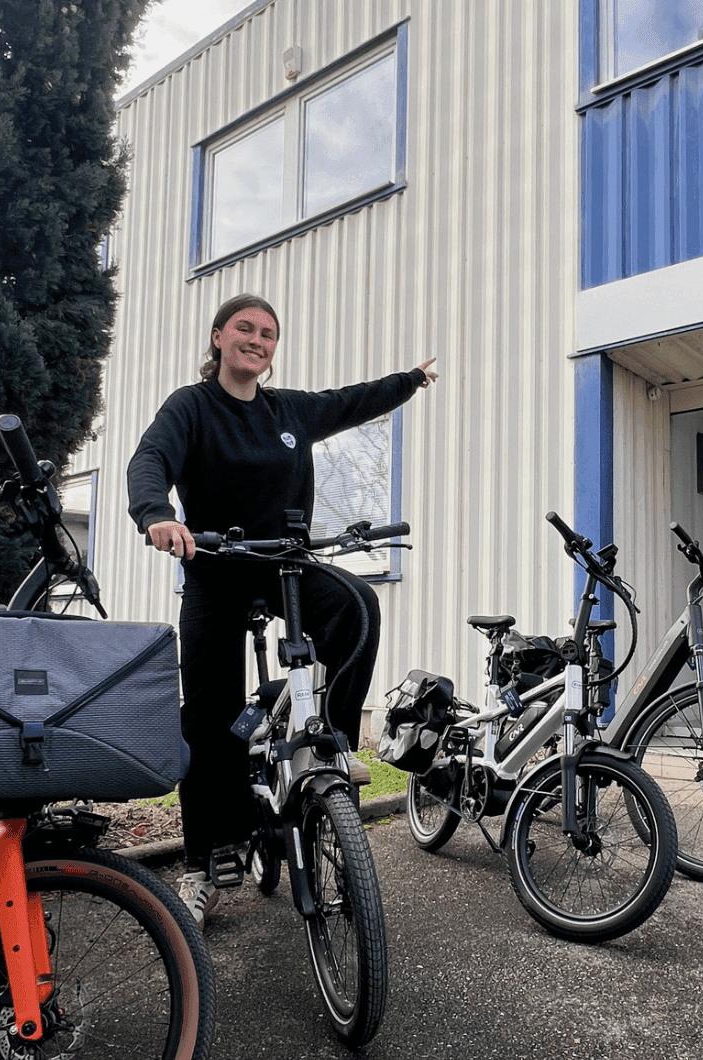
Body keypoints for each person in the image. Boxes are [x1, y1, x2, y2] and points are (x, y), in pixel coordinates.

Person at [127, 293, 437, 927]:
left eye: (268, 333)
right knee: (210, 715)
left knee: (356, 605)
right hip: (216, 569)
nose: (257, 340)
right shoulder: (191, 407)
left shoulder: (287, 410)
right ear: (218, 338)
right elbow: (149, 460)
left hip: (284, 565)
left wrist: (412, 380)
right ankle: (204, 860)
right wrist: (157, 515)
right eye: (245, 328)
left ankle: (335, 745)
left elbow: (351, 401)